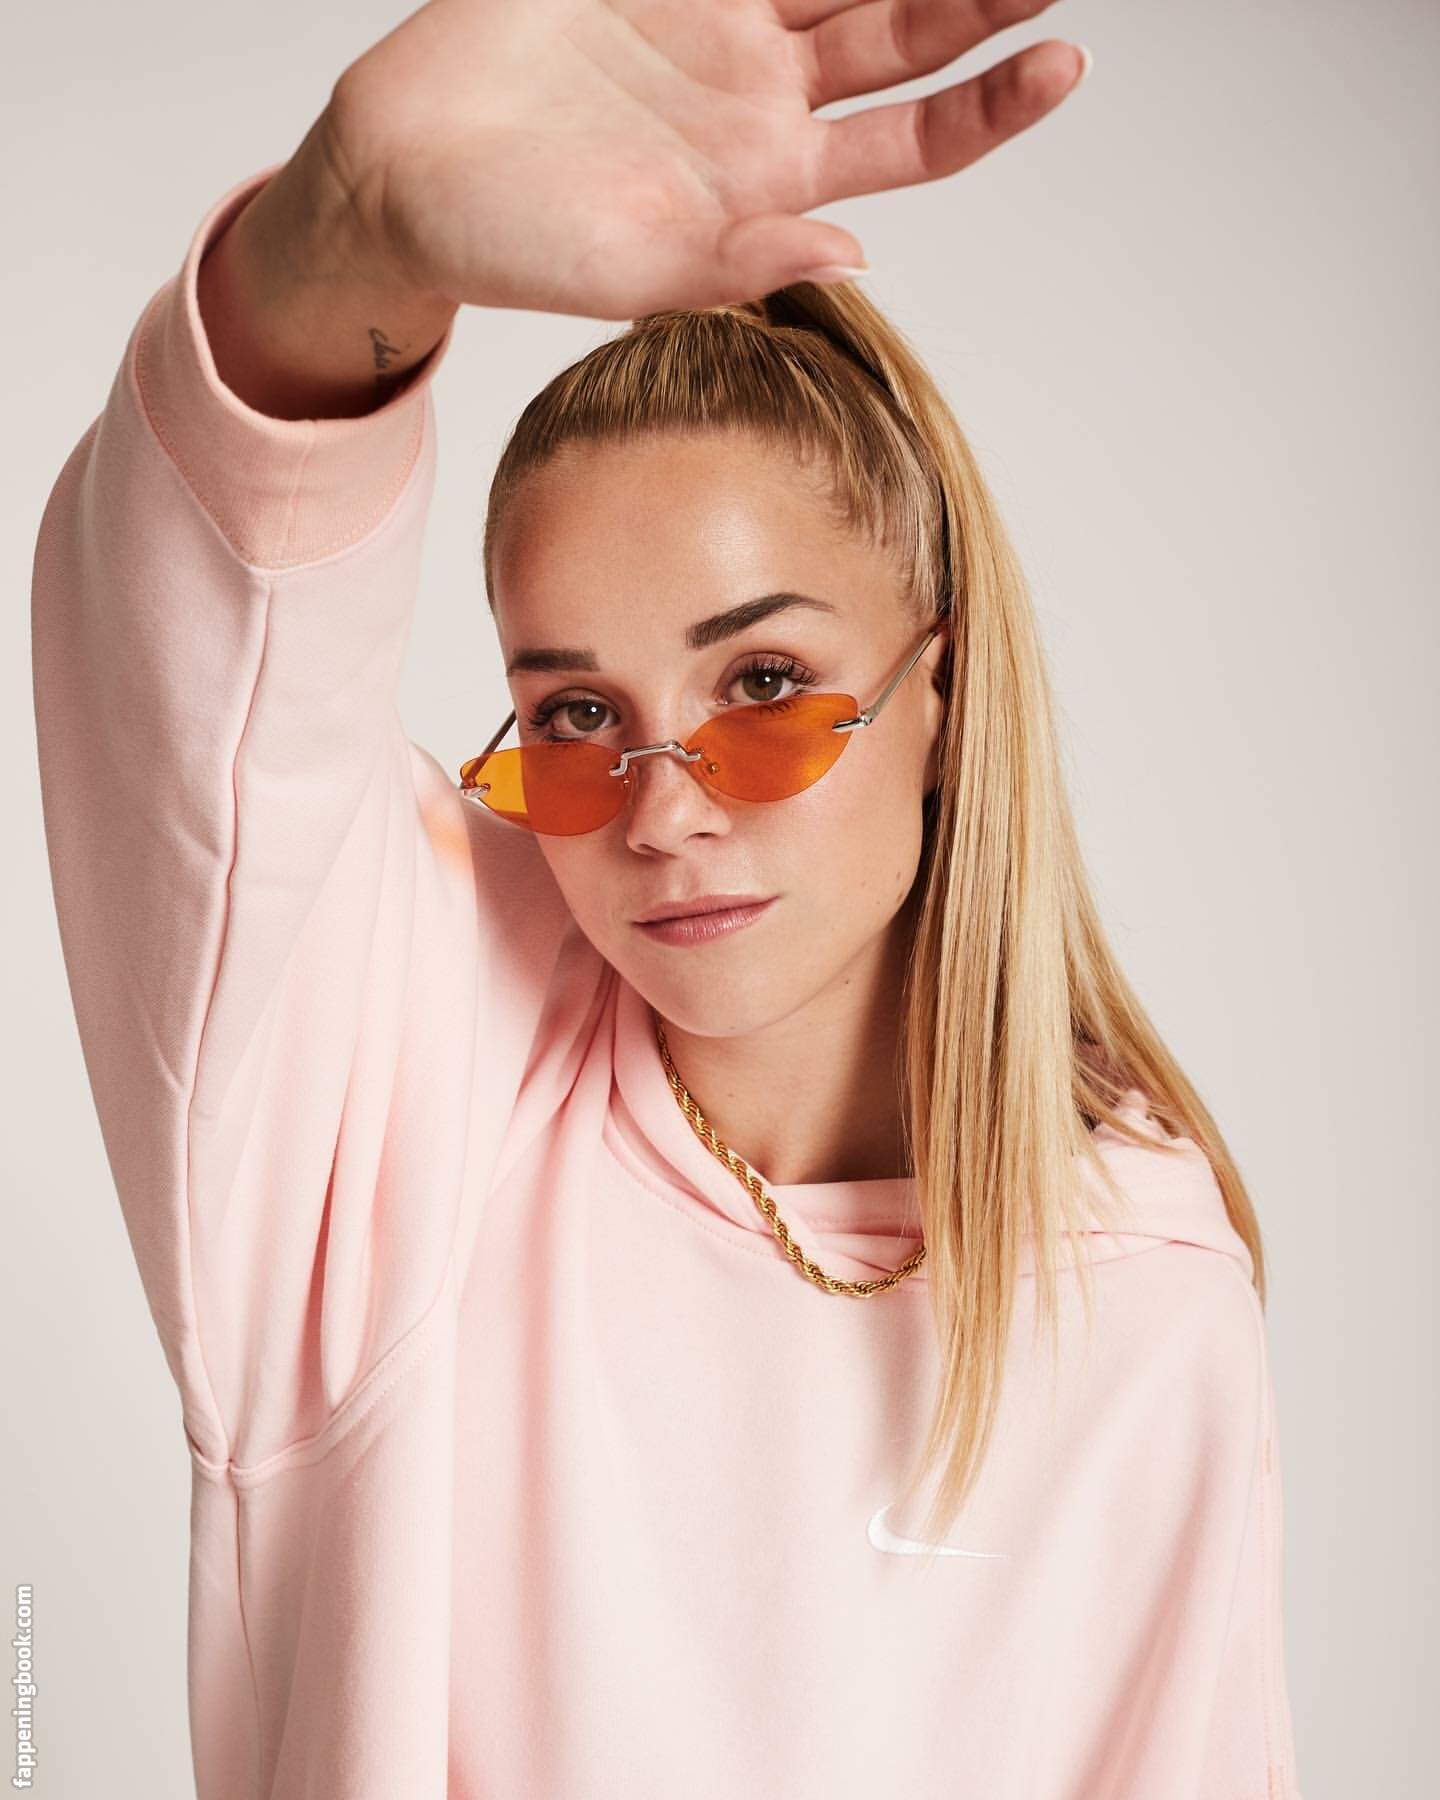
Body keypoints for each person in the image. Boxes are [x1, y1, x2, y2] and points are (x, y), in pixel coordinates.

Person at [30, 1, 1303, 1795]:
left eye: (762, 687)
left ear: (939, 698)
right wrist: (347, 232)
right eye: (574, 716)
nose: (663, 814)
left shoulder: (1148, 1296)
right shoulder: (409, 1095)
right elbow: (191, 694)